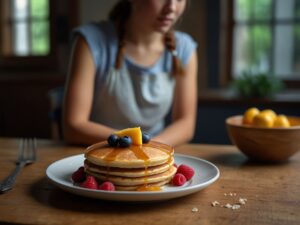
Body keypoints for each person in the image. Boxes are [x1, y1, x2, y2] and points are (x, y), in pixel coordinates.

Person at [63, 0, 198, 147]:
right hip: (100, 151)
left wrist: (152, 148)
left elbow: (186, 124)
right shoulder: (90, 41)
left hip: (156, 151)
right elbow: (73, 125)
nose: (171, 7)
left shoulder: (184, 48)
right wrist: (133, 145)